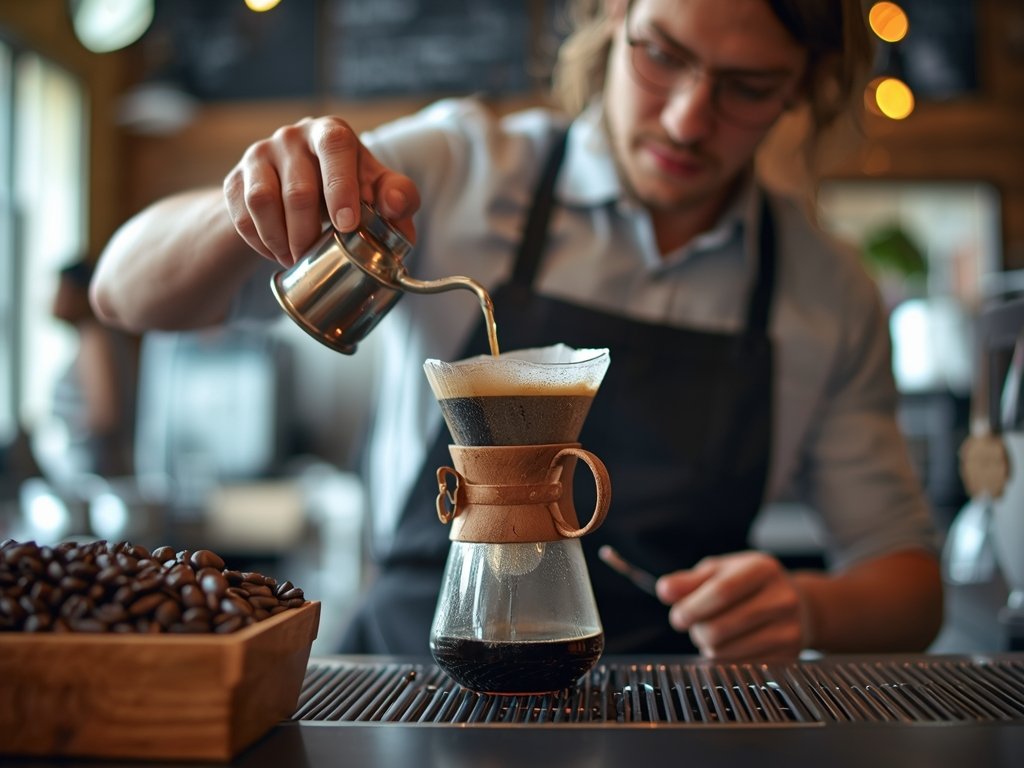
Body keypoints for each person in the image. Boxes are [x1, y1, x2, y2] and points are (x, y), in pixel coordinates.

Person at [90, 0, 944, 659]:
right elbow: (123, 292)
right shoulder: (458, 168)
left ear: (802, 84)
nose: (689, 118)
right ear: (613, 17)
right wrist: (252, 200)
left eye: (748, 86)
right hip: (408, 682)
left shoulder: (825, 292)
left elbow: (907, 580)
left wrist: (806, 607)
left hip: (667, 713)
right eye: (664, 56)